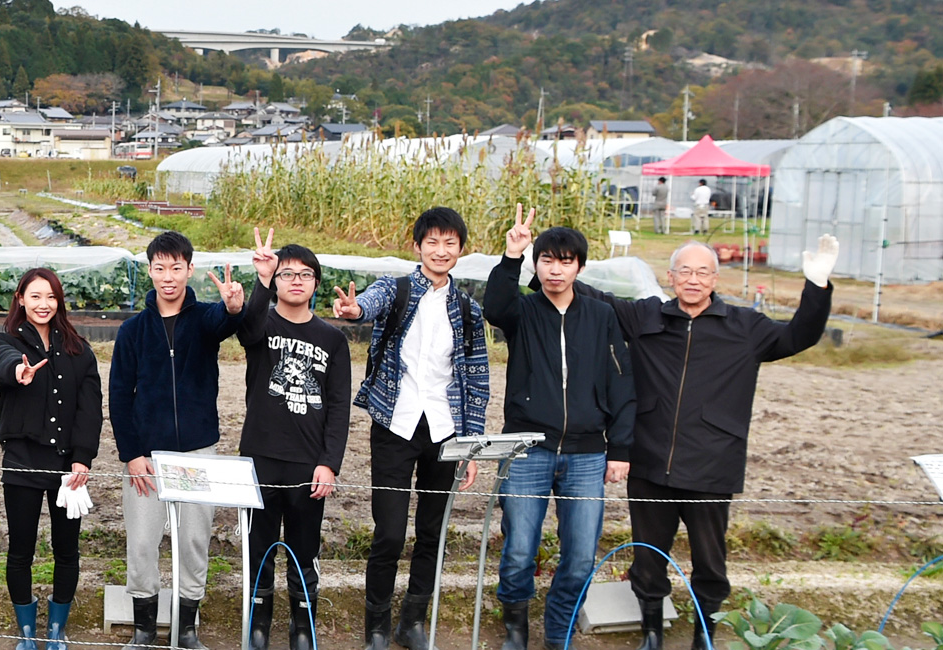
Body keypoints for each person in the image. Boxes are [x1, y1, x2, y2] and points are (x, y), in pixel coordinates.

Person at [553, 236, 838, 650]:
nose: (693, 279)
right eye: (684, 271)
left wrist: (817, 285)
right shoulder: (648, 317)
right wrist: (553, 264)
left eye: (702, 271)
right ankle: (652, 631)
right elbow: (599, 299)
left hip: (711, 465)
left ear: (715, 279)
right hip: (650, 464)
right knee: (648, 558)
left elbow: (799, 336)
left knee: (710, 561)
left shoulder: (745, 327)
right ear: (669, 277)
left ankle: (706, 634)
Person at [329, 207, 488, 650]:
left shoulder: (467, 309)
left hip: (445, 430)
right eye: (431, 242)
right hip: (396, 425)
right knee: (390, 532)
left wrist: (471, 441)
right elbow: (370, 304)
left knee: (433, 532)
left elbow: (477, 377)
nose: (440, 251)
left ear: (460, 249)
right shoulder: (396, 289)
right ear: (416, 246)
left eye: (449, 243)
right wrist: (354, 308)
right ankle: (376, 626)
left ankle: (412, 621)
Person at [483, 211, 635, 650]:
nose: (555, 269)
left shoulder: (602, 315)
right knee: (517, 553)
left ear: (579, 268)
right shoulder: (524, 311)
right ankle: (515, 624)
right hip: (528, 447)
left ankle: (558, 629)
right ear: (537, 264)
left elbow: (620, 382)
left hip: (588, 454)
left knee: (581, 556)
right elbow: (495, 307)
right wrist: (511, 256)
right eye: (546, 260)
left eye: (565, 262)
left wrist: (620, 448)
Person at [110, 230, 245, 650]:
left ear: (189, 269)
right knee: (143, 540)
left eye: (176, 267)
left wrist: (234, 308)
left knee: (193, 540)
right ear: (149, 270)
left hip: (198, 451)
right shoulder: (133, 331)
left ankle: (187, 628)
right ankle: (145, 630)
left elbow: (226, 321)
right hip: (146, 456)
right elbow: (118, 396)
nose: (168, 277)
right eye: (159, 268)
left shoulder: (204, 320)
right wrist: (132, 454)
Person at [238, 232, 350, 650]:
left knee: (305, 547)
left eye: (305, 274)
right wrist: (261, 280)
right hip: (261, 457)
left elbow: (339, 406)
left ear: (316, 283)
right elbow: (245, 328)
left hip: (309, 464)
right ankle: (258, 623)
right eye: (287, 274)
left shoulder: (333, 339)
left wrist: (329, 462)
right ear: (277, 281)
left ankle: (303, 625)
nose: (296, 281)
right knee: (259, 545)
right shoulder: (262, 327)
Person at [0, 268, 101, 650]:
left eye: (50, 297)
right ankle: (27, 631)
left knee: (67, 549)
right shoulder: (3, 341)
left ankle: (56, 629)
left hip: (69, 469)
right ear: (20, 299)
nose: (43, 304)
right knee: (21, 548)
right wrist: (17, 370)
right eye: (34, 296)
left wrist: (83, 458)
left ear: (58, 300)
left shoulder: (79, 350)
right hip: (22, 462)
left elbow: (90, 409)